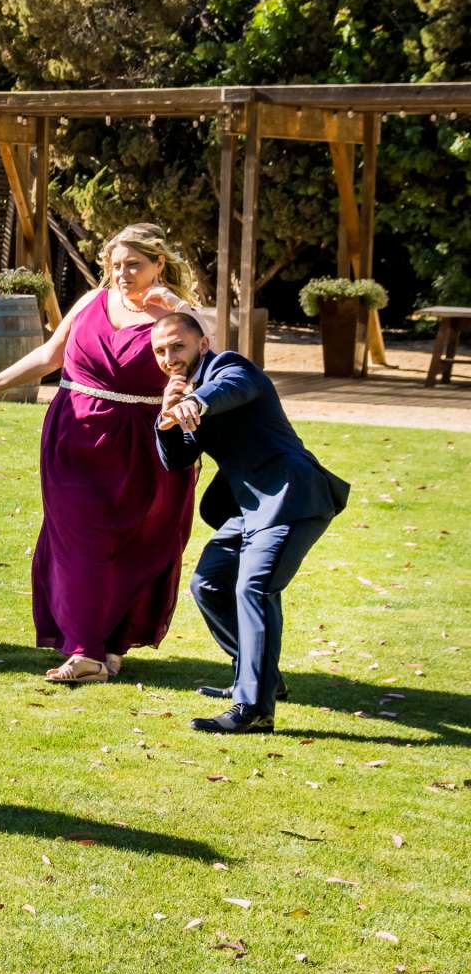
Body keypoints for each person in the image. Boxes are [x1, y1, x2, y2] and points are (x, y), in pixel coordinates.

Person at [0, 224, 205, 684]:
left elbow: (209, 365)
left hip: (143, 445)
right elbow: (47, 356)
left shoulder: (178, 317)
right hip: (74, 440)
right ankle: (84, 652)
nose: (122, 274)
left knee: (135, 545)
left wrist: (178, 311)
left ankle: (110, 646)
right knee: (80, 541)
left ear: (158, 264)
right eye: (115, 265)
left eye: (134, 265)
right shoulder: (89, 303)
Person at [152, 311, 350, 734]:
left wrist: (195, 401)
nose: (169, 357)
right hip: (248, 509)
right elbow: (178, 460)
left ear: (202, 345)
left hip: (290, 498)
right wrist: (166, 416)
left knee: (255, 587)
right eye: (160, 351)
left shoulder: (229, 368)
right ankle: (262, 679)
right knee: (209, 584)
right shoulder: (184, 392)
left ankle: (253, 709)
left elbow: (230, 389)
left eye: (177, 346)